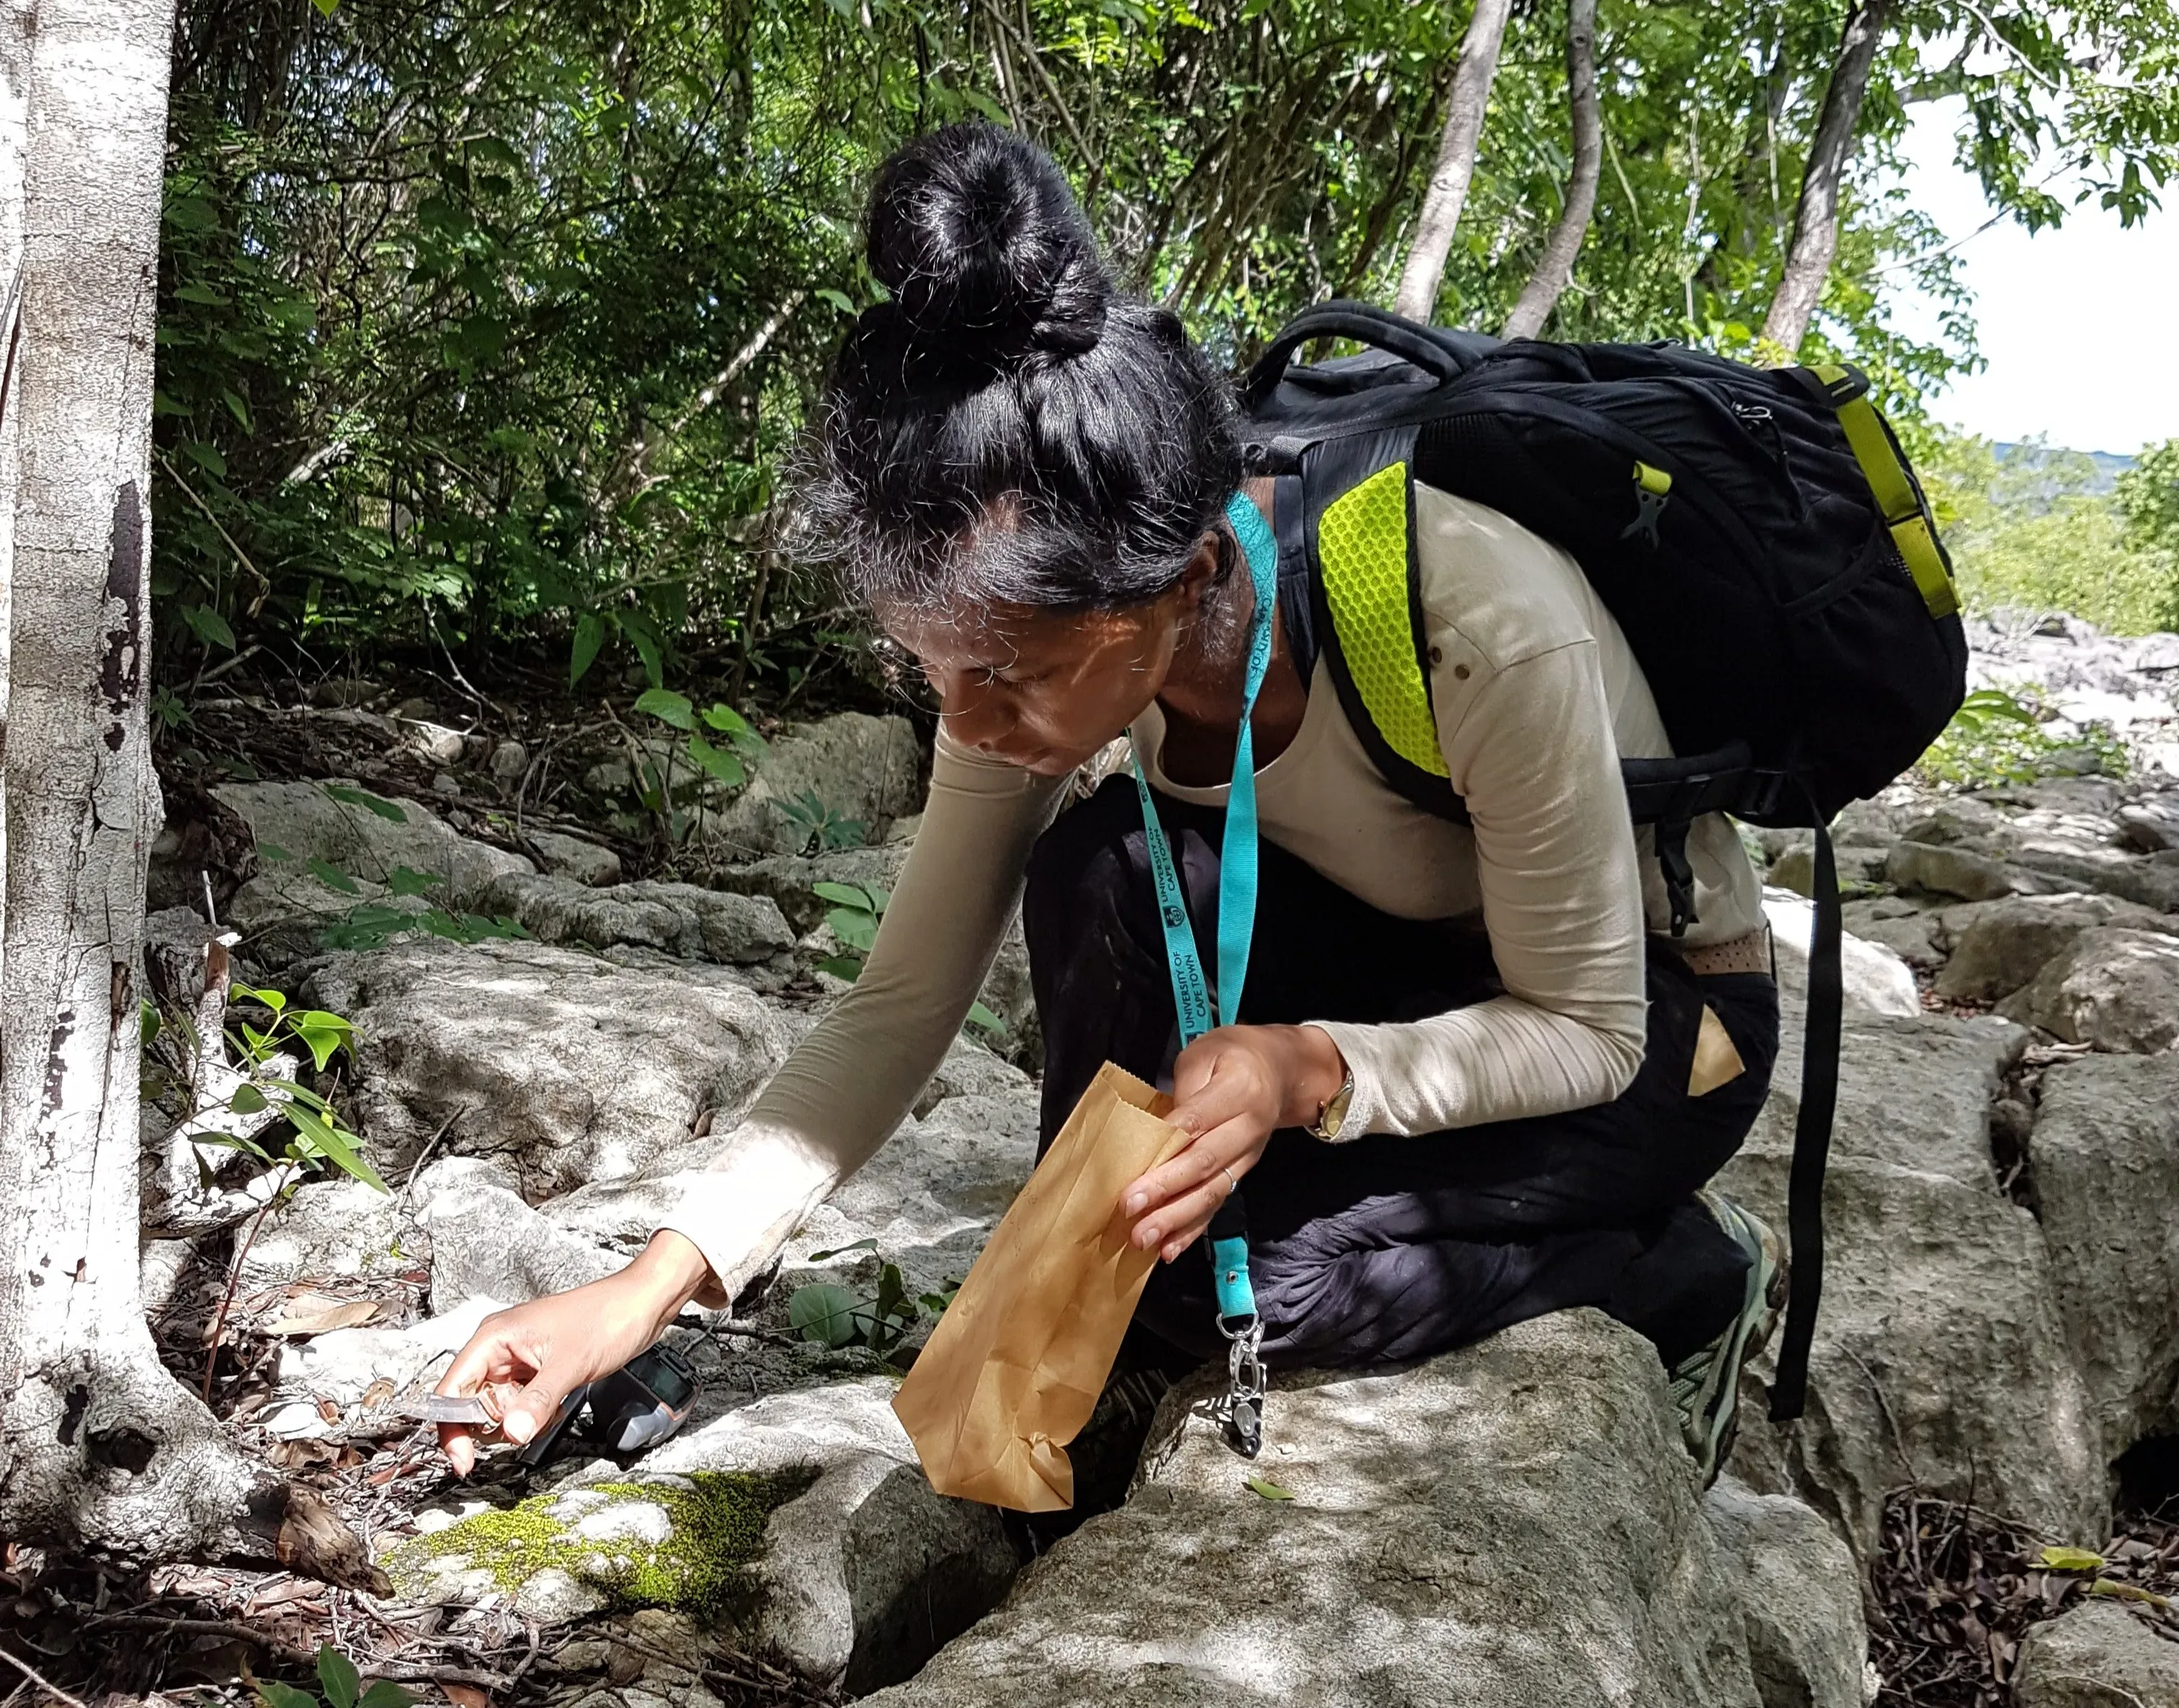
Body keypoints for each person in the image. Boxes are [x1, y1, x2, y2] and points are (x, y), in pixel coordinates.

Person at [435, 122, 1785, 1488]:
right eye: (935, 673)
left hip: (1653, 1025)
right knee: (1101, 871)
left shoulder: (1474, 619)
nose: (964, 723)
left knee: (1259, 1288)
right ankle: (1134, 1309)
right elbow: (902, 1001)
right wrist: (647, 1284)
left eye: (1009, 676)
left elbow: (1588, 1026)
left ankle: (1685, 1266)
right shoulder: (1036, 639)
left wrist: (1309, 1067)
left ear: (1188, 575)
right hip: (1399, 958)